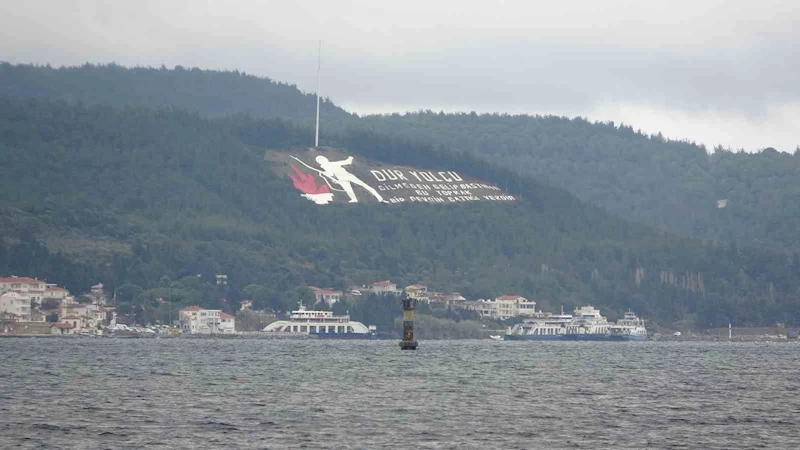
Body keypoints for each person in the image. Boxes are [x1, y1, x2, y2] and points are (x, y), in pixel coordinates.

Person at [315, 155, 385, 203]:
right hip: (343, 178)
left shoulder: (329, 165)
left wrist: (350, 158)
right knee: (355, 188)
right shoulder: (328, 165)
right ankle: (377, 198)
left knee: (360, 187)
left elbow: (332, 173)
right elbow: (332, 173)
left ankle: (378, 197)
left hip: (344, 177)